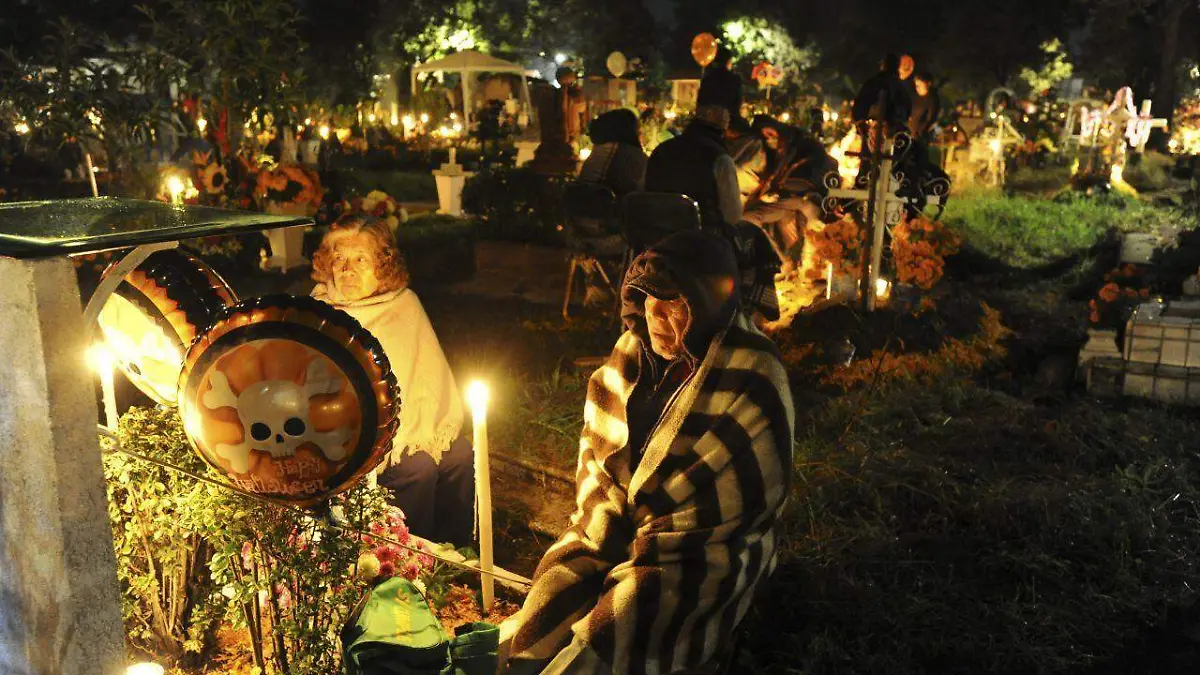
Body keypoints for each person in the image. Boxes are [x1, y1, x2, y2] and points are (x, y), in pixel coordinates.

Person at [504, 230, 795, 675]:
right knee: (558, 582)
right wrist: (604, 532)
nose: (656, 315)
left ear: (707, 303)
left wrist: (644, 552)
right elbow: (602, 469)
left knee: (627, 619)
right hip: (622, 524)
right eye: (645, 299)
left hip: (700, 551)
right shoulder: (630, 353)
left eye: (674, 302)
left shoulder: (751, 373)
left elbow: (728, 507)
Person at [311, 216, 474, 548]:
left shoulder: (405, 305)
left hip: (411, 424)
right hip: (353, 438)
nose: (347, 270)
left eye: (361, 260)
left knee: (458, 454)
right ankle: (408, 561)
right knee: (418, 468)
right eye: (339, 258)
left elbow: (427, 378)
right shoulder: (320, 312)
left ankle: (457, 555)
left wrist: (416, 427)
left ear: (382, 267)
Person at [742, 115, 839, 266]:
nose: (768, 142)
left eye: (767, 137)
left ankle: (787, 264)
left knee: (750, 216)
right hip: (803, 201)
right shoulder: (794, 141)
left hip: (805, 200)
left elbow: (789, 177)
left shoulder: (792, 147)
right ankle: (788, 263)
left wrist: (772, 193)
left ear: (771, 132)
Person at [644, 104, 742, 236]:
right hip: (703, 240)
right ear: (724, 130)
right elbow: (732, 216)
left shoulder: (661, 150)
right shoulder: (720, 159)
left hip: (655, 232)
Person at [578, 108, 647, 198]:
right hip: (604, 207)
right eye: (637, 129)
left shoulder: (603, 149)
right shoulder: (627, 153)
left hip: (581, 204)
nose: (640, 132)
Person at [698, 45, 744, 129]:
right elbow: (737, 103)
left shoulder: (707, 79)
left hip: (706, 122)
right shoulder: (734, 79)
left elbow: (701, 102)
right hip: (726, 123)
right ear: (729, 61)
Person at [909, 71, 941, 140]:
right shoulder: (916, 98)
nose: (917, 88)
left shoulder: (932, 100)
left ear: (928, 84)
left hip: (921, 138)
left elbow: (930, 120)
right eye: (916, 85)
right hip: (911, 135)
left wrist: (920, 132)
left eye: (920, 85)